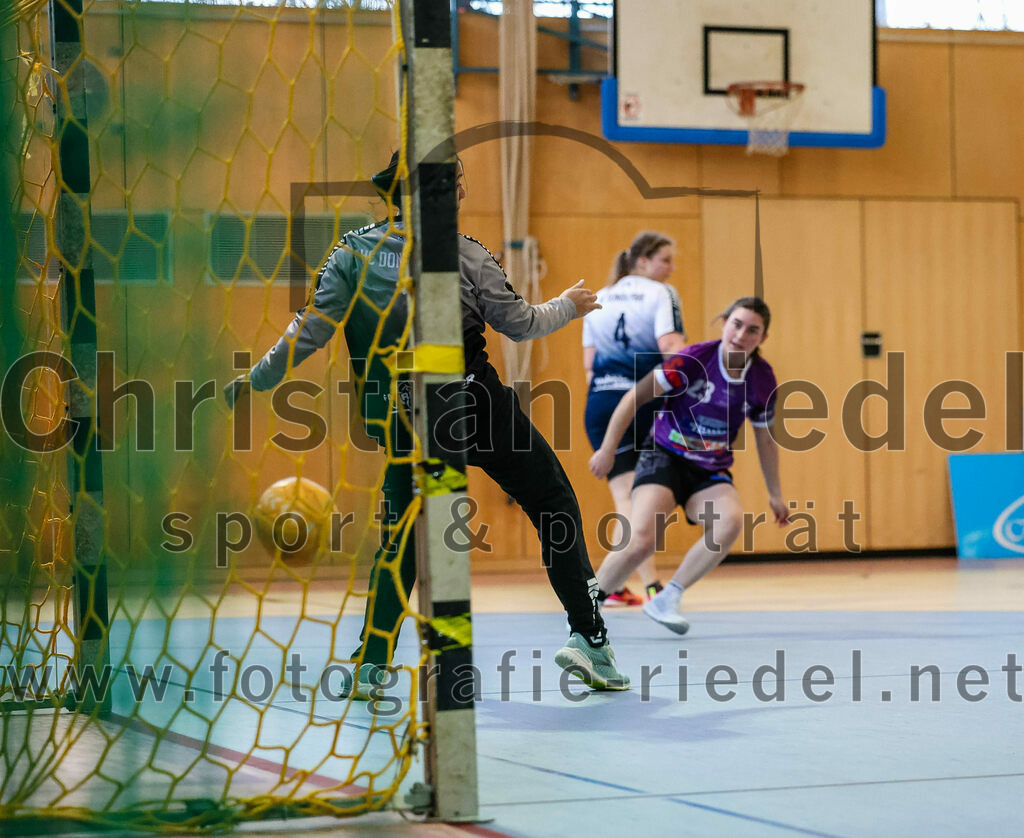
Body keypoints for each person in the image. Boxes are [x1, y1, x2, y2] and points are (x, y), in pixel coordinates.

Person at [225, 153, 630, 696]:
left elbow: (308, 332)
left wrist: (254, 381)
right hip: (474, 404)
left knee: (402, 538)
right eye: (458, 184)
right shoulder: (465, 254)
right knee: (554, 503)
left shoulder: (350, 252)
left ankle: (371, 666)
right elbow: (520, 324)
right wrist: (570, 305)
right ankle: (589, 638)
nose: (463, 194)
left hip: (397, 414)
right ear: (443, 194)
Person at [589, 297, 790, 635]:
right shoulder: (694, 359)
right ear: (724, 321)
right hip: (664, 455)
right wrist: (608, 449)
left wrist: (775, 493)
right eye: (736, 324)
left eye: (752, 330)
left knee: (730, 522)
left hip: (709, 470)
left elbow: (766, 439)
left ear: (763, 338)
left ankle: (668, 598)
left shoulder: (761, 380)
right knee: (641, 539)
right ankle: (586, 604)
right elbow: (634, 397)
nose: (741, 335)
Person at [583, 231, 687, 606]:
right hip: (643, 399)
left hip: (599, 403)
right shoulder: (660, 294)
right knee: (641, 500)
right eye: (665, 260)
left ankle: (624, 584)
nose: (671, 269)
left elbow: (589, 366)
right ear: (642, 261)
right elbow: (670, 347)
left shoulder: (599, 297)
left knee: (625, 498)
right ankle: (615, 585)